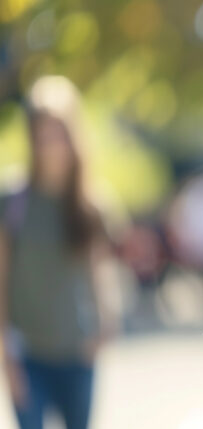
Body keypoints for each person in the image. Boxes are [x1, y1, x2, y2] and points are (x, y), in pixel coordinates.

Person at [0, 75, 116, 429]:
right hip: (29, 356)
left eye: (59, 135)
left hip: (77, 354)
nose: (52, 146)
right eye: (43, 135)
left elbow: (98, 272)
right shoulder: (13, 201)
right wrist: (8, 360)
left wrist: (103, 329)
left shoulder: (91, 205)